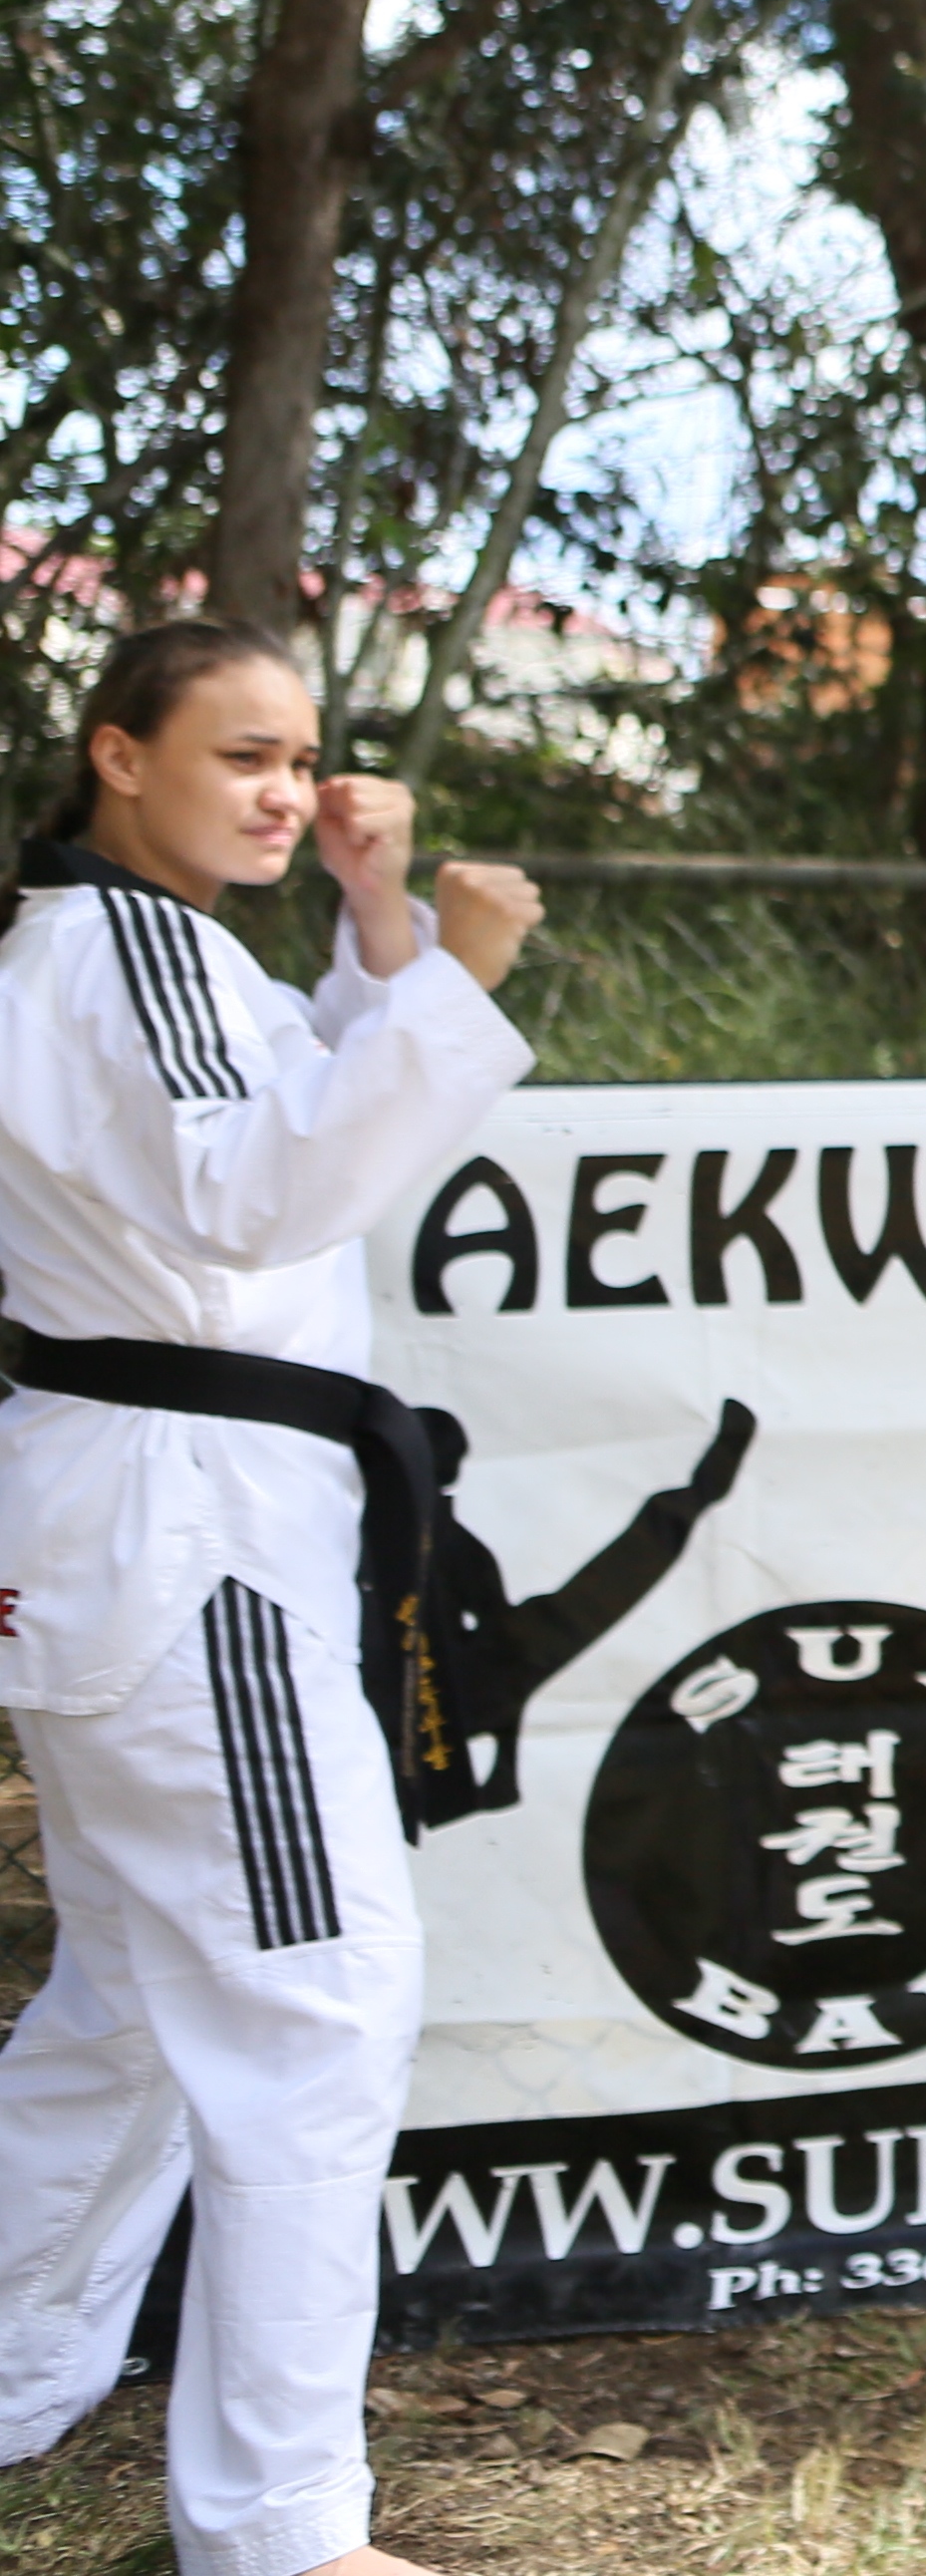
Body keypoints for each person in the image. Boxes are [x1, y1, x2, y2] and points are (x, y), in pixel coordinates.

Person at [0, 620, 542, 2576]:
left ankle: (12, 2365)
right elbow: (259, 1190)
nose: (282, 791)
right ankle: (281, 2528)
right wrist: (461, 971)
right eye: (241, 754)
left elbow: (290, 1103)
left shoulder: (144, 951)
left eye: (301, 759)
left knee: (138, 2003)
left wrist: (380, 919)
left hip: (154, 1519)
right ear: (116, 752)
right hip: (191, 1533)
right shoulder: (125, 947)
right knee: (316, 1996)